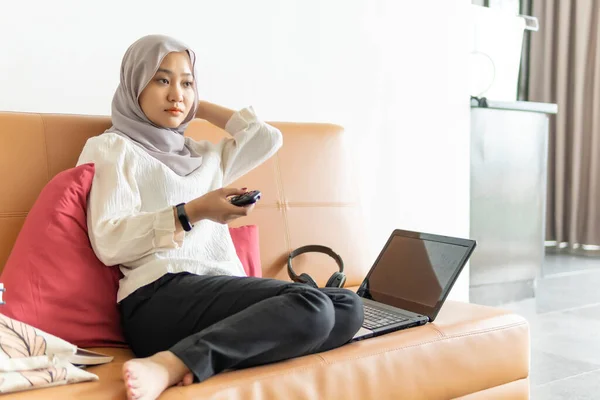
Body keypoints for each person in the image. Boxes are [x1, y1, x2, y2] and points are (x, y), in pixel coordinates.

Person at [77, 34, 363, 400]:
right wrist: (192, 211)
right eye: (162, 79)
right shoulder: (112, 147)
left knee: (348, 307)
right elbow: (108, 241)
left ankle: (198, 355)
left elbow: (266, 137)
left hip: (221, 291)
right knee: (313, 306)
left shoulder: (205, 154)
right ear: (134, 84)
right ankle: (171, 362)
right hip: (158, 297)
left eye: (187, 82)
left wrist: (195, 104)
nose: (176, 94)